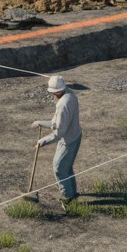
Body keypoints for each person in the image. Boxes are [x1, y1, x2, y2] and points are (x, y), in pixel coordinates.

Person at [31, 76, 82, 204]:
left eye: (53, 92)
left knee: (59, 167)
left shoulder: (63, 104)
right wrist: (41, 123)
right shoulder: (69, 94)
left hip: (68, 139)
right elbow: (57, 122)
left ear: (58, 91)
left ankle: (68, 197)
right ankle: (72, 192)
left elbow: (59, 132)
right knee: (66, 167)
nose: (53, 94)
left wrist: (42, 141)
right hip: (73, 135)